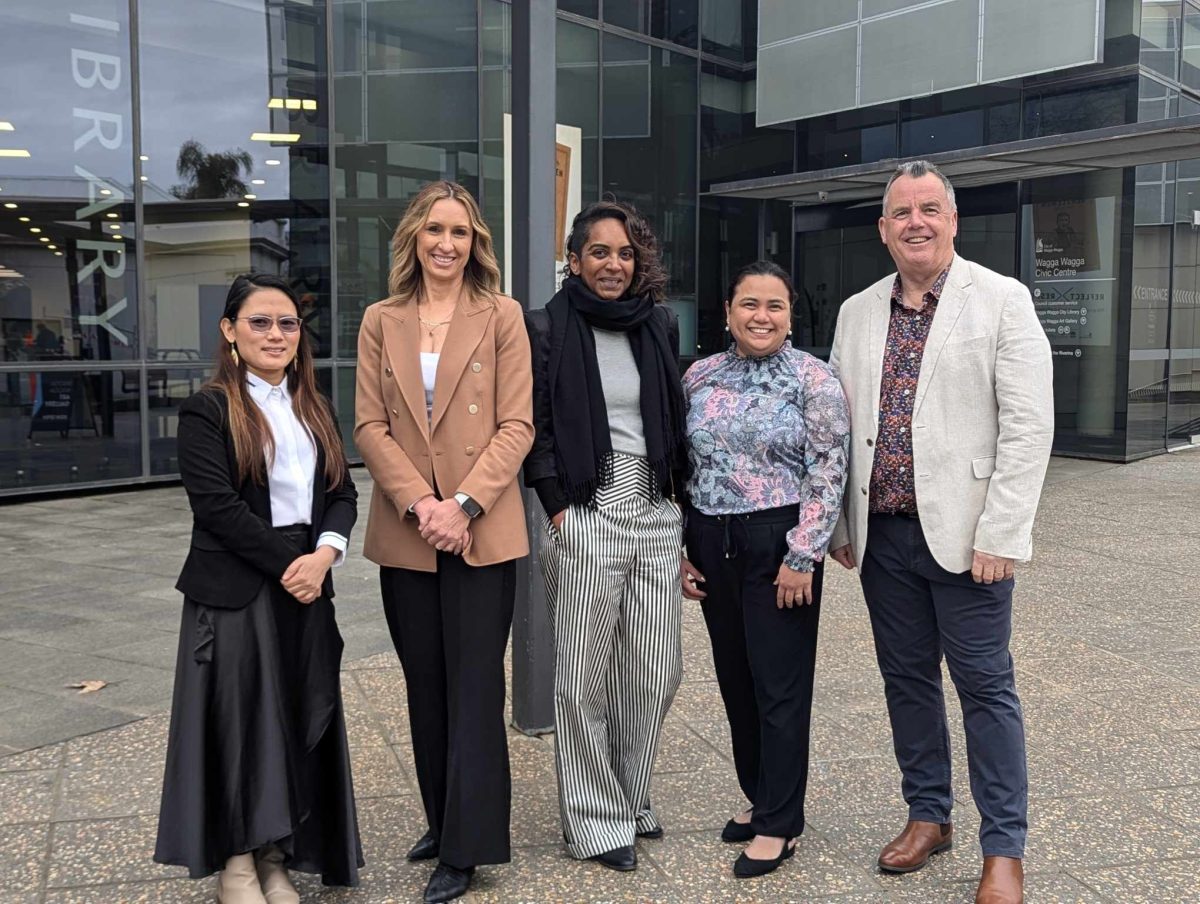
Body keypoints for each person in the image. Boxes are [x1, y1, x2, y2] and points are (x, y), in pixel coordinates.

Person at [827, 160, 1054, 904]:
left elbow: (1027, 426)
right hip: (884, 537)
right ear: (883, 229)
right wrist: (837, 522)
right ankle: (929, 814)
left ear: (952, 220)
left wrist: (1003, 534)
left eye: (930, 208)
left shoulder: (1002, 300)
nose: (916, 222)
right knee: (906, 683)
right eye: (902, 212)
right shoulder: (858, 310)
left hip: (968, 541)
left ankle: (1003, 848)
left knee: (986, 689)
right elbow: (836, 428)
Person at [154, 274, 361, 903]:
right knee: (242, 726)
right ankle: (237, 861)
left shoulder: (313, 407)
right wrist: (290, 565)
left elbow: (342, 495)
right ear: (230, 331)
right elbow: (217, 507)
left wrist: (324, 555)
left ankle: (276, 852)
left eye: (288, 324)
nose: (276, 334)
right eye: (260, 322)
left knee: (299, 716)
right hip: (239, 589)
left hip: (305, 582)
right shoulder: (207, 409)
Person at [354, 180, 533, 904]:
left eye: (460, 233)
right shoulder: (379, 319)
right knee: (424, 686)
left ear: (476, 243)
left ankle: (466, 848)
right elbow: (368, 425)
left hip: (480, 530)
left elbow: (517, 424)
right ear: (414, 239)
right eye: (435, 231)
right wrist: (421, 505)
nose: (447, 245)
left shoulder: (503, 315)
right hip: (408, 533)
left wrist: (460, 504)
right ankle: (440, 818)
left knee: (475, 687)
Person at [524, 199, 688, 873]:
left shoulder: (657, 325)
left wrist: (680, 508)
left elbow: (672, 418)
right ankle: (594, 822)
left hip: (654, 506)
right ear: (574, 259)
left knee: (657, 669)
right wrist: (558, 506)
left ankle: (626, 791)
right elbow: (533, 423)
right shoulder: (548, 327)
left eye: (624, 253)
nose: (613, 264)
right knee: (581, 679)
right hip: (587, 505)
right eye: (599, 252)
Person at [679, 260, 849, 878]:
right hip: (711, 537)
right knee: (736, 682)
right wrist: (682, 547)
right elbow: (682, 465)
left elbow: (829, 468)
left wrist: (802, 555)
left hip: (778, 543)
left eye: (775, 306)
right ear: (728, 312)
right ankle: (760, 798)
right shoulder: (699, 375)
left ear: (790, 315)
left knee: (779, 686)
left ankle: (781, 823)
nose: (762, 317)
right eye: (749, 304)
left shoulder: (813, 378)